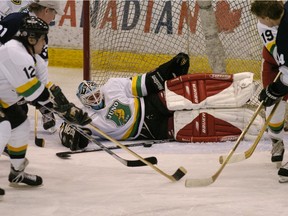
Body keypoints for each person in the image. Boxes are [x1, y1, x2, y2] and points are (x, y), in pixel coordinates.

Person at [59, 53, 263, 151]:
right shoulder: (88, 119)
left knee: (185, 95)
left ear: (99, 88)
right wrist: (73, 132)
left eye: (96, 93)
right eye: (90, 99)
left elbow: (145, 83)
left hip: (152, 103)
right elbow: (74, 137)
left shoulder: (112, 86)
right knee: (194, 124)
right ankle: (241, 123)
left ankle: (235, 89)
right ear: (83, 102)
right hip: (150, 129)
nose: (96, 99)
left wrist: (168, 69)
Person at [0, 15, 90, 193]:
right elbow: (33, 93)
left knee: (20, 124)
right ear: (31, 39)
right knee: (3, 127)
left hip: (3, 100)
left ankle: (16, 172)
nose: (44, 43)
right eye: (42, 39)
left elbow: (45, 88)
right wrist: (63, 111)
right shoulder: (13, 52)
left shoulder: (34, 59)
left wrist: (67, 106)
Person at [0, 0, 65, 133]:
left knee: (20, 111)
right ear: (46, 10)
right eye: (54, 14)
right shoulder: (15, 21)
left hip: (11, 77)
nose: (54, 18)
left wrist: (44, 99)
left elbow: (40, 70)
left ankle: (44, 108)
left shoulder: (41, 33)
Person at [251, 0, 288, 183]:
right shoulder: (265, 24)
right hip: (275, 65)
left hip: (286, 63)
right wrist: (277, 89)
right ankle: (276, 141)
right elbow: (279, 54)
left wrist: (281, 85)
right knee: (273, 105)